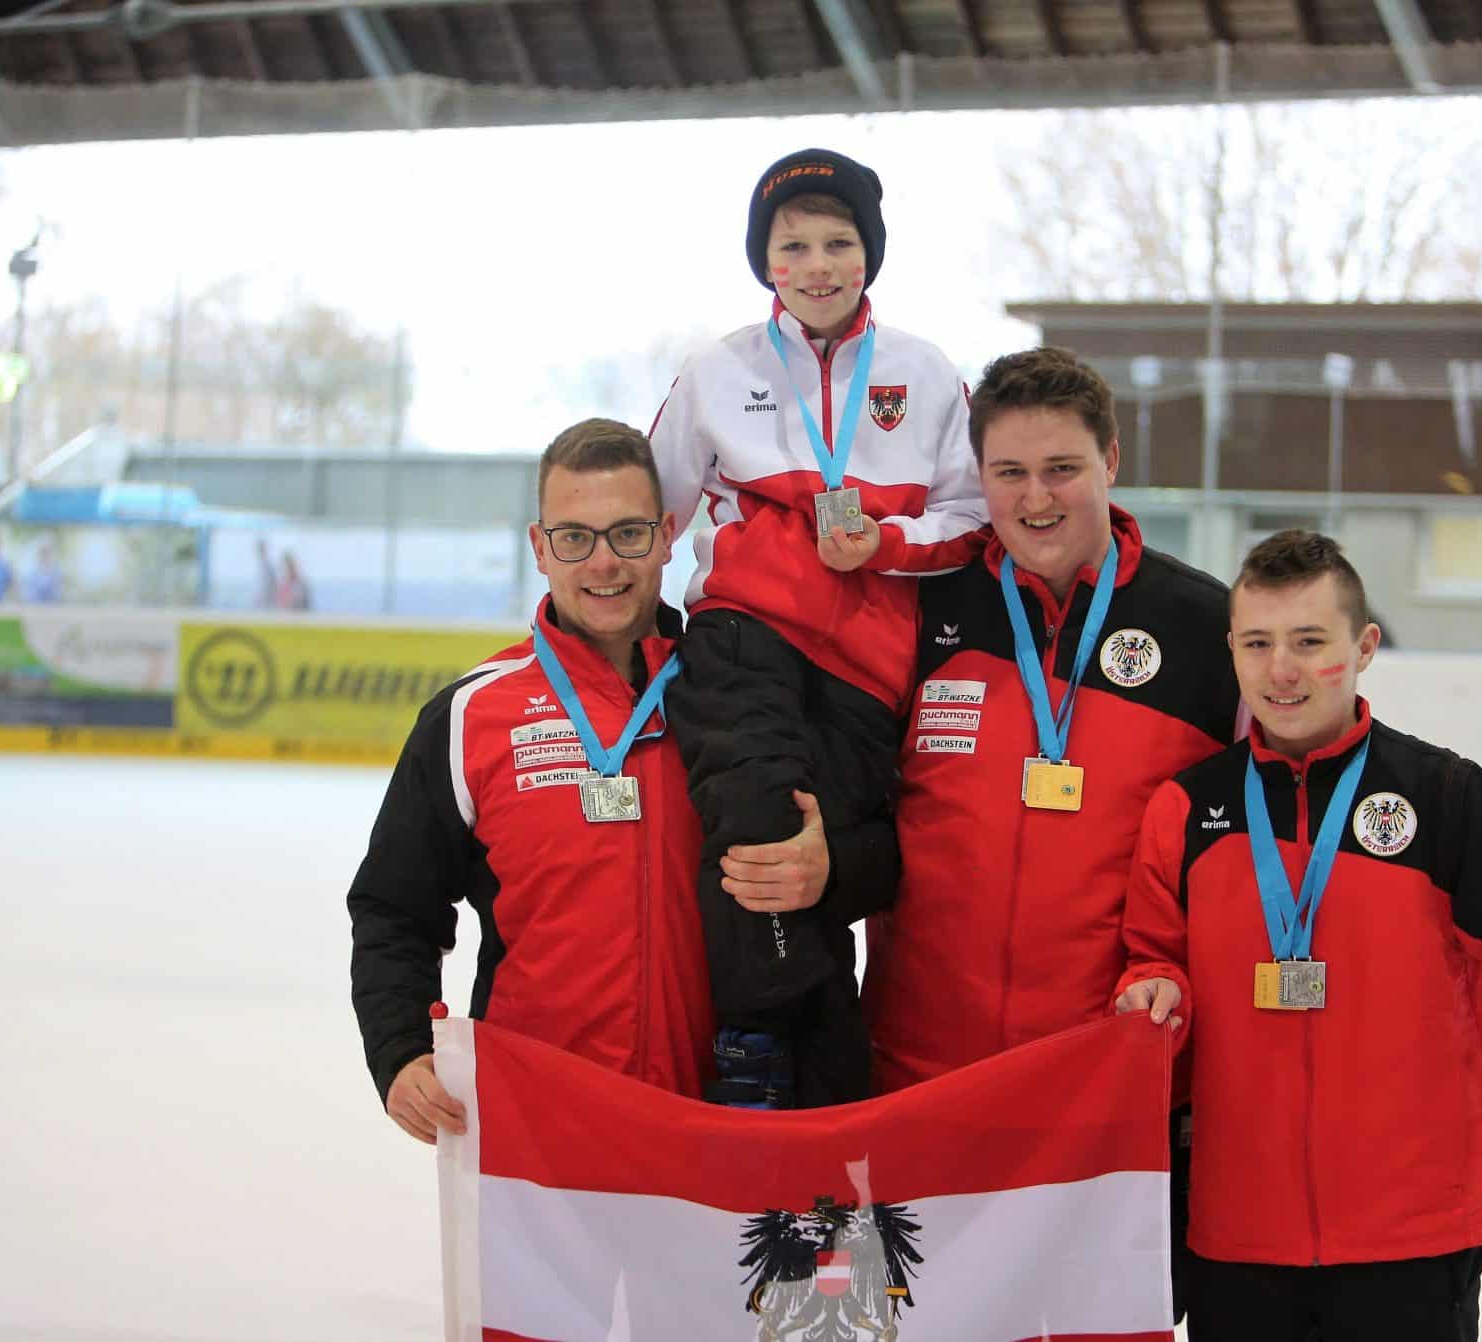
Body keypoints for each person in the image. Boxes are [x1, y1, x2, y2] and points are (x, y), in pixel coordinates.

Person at [1117, 530, 1482, 1342]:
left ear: (1364, 646)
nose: (1283, 670)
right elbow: (1151, 959)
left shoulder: (1446, 800)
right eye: (1260, 644)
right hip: (1236, 1239)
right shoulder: (1186, 811)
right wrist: (1153, 986)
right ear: (1230, 649)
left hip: (1411, 1241)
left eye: (1311, 642)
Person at [346, 419, 888, 1144]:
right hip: (533, 1127)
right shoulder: (475, 713)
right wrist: (399, 1046)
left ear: (668, 535)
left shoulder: (747, 698)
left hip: (714, 1120)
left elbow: (891, 852)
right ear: (540, 548)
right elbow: (393, 906)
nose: (603, 563)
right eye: (575, 537)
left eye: (628, 534)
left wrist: (832, 867)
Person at [859, 347, 1238, 1316]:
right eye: (1008, 472)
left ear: (1110, 459)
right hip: (921, 1088)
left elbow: (1252, 856)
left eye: (1061, 468)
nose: (1036, 499)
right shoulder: (921, 608)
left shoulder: (1206, 631)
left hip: (1111, 1099)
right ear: (975, 475)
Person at [650, 149, 985, 1108]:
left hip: (868, 670)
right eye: (792, 245)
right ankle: (755, 1041)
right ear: (766, 263)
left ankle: (825, 1060)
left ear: (869, 255)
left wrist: (883, 543)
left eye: (839, 242)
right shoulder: (718, 372)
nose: (818, 263)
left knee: (824, 863)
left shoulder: (923, 374)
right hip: (743, 635)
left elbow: (969, 520)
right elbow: (655, 513)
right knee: (753, 824)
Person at [256, 538, 311, 611]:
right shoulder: (283, 582)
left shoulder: (299, 583)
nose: (286, 569)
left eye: (288, 565)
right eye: (285, 565)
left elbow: (301, 602)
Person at [21, 539, 63, 604]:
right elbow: (28, 593)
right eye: (43, 552)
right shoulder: (31, 572)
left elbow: (57, 592)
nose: (45, 555)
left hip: (52, 607)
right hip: (34, 606)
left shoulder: (56, 572)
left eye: (47, 552)